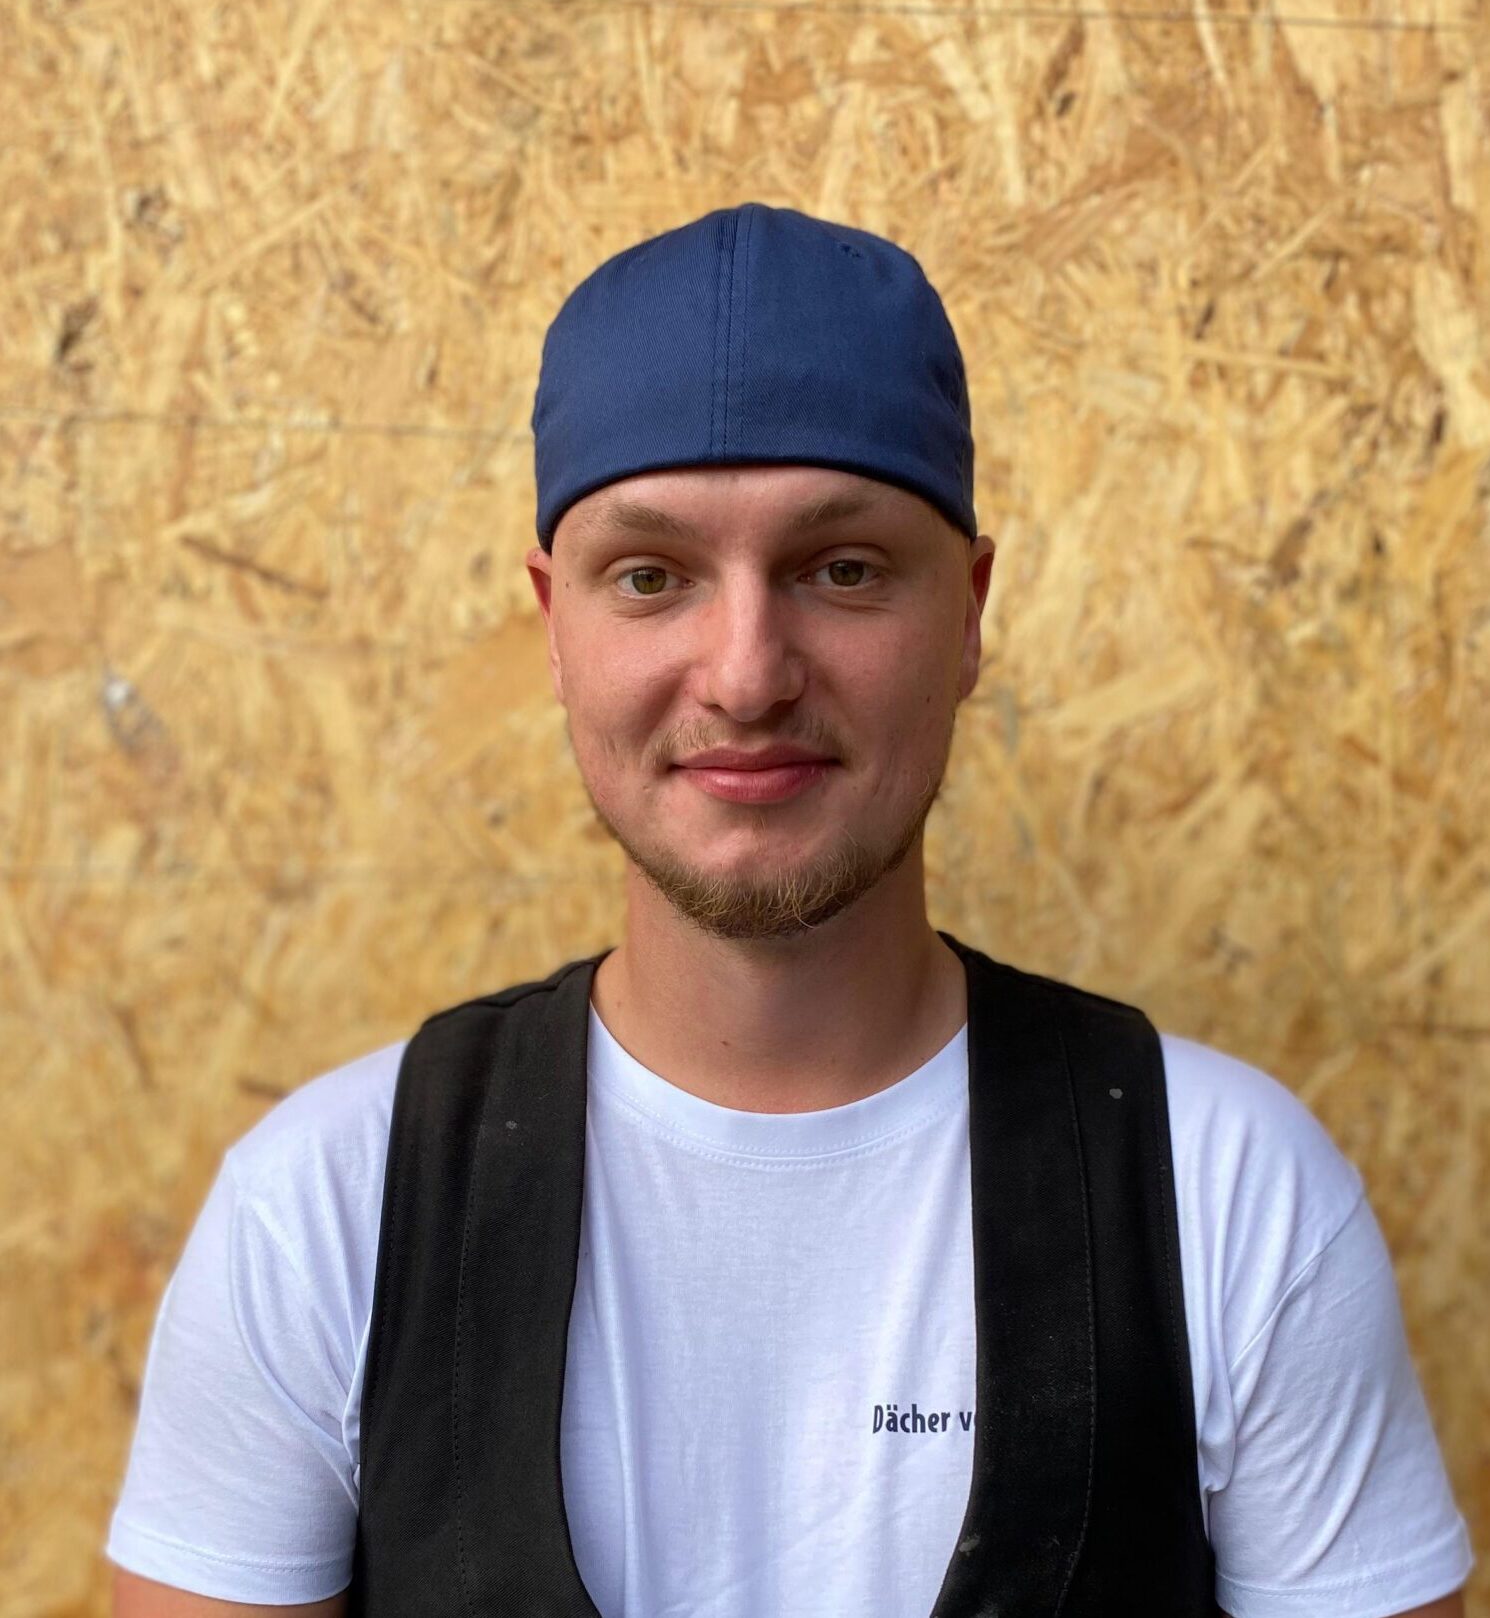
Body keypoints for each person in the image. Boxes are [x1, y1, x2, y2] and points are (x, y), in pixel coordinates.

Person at [108, 204, 1473, 1617]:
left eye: (843, 569)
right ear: (555, 627)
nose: (747, 673)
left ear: (969, 613)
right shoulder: (332, 1209)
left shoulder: (1224, 1193)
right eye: (651, 577)